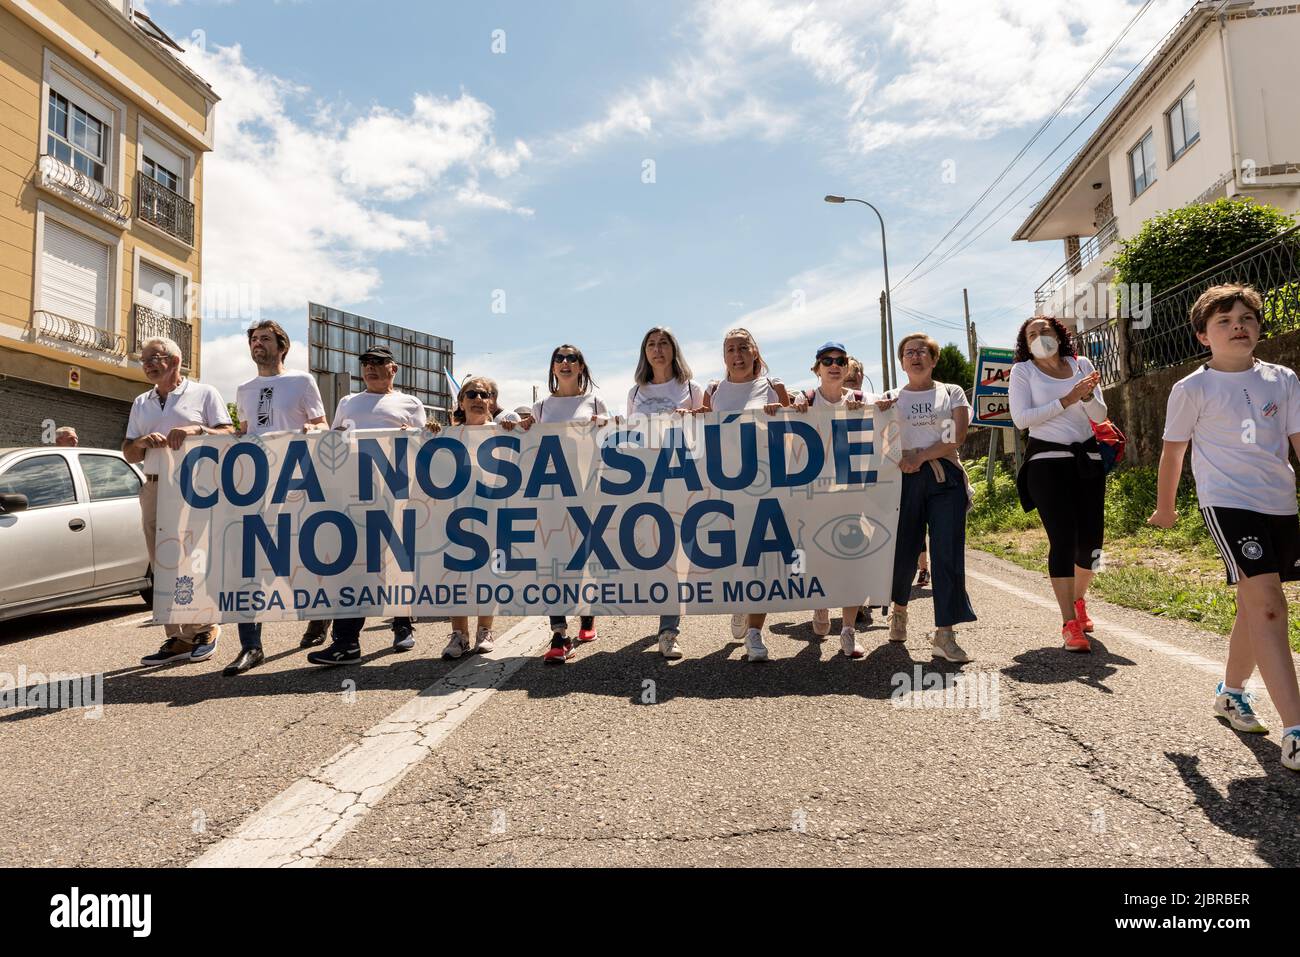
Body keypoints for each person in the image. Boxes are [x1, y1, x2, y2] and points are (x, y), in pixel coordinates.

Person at [1149, 284, 1300, 772]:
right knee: (1271, 609)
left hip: (1280, 504)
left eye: (1247, 318)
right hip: (1229, 504)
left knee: (1253, 607)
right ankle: (1296, 732)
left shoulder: (1284, 380)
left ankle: (1231, 694)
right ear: (1202, 336)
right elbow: (1174, 452)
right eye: (1224, 320)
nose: (1239, 325)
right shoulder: (1192, 388)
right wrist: (1165, 508)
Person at [306, 345, 428, 666]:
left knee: (395, 562)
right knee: (355, 566)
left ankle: (402, 624)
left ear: (393, 369)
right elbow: (333, 441)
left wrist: (410, 436)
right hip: (355, 493)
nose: (370, 368)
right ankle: (346, 642)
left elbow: (423, 445)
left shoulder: (410, 403)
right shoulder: (348, 402)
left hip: (395, 491)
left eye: (378, 363)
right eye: (365, 364)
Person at [225, 320, 329, 676]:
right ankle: (251, 647)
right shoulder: (243, 388)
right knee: (249, 562)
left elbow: (322, 425)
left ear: (282, 346)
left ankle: (318, 613)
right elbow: (244, 432)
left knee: (298, 556)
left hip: (296, 482)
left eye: (265, 338)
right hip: (256, 485)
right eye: (254, 339)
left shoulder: (301, 381)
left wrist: (310, 430)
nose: (258, 344)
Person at [122, 336, 233, 664]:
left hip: (193, 486)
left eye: (154, 358)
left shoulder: (204, 393)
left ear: (174, 360)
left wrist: (196, 430)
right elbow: (128, 453)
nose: (148, 364)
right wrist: (142, 441)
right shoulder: (141, 402)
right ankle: (178, 638)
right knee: (162, 563)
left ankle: (205, 627)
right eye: (144, 360)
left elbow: (229, 434)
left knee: (192, 557)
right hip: (154, 486)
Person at [699, 327, 799, 662]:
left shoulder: (774, 388)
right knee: (735, 559)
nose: (737, 354)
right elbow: (701, 437)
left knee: (763, 560)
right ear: (724, 356)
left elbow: (793, 437)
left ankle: (755, 633)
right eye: (731, 349)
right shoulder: (713, 391)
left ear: (755, 352)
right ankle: (740, 602)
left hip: (766, 486)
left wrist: (781, 418)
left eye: (744, 347)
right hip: (727, 489)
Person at [1008, 316, 1106, 653]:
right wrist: (1067, 399)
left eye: (1044, 330)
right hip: (1046, 463)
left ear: (1058, 334)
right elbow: (1021, 419)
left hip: (1087, 459)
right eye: (1031, 334)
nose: (1039, 336)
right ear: (1026, 342)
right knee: (1063, 539)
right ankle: (1069, 623)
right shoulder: (1024, 372)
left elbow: (1099, 415)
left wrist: (1088, 395)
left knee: (1093, 544)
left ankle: (1078, 600)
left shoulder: (1082, 365)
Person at [882, 333, 977, 662]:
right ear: (902, 362)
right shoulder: (890, 398)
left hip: (943, 477)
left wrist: (920, 456)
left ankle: (945, 634)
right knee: (903, 549)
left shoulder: (951, 392)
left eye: (923, 352)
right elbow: (877, 435)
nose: (916, 356)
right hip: (902, 480)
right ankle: (899, 611)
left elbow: (956, 436)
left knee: (947, 552)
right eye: (909, 353)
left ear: (933, 360)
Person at [516, 345, 610, 665]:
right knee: (553, 563)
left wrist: (607, 426)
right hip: (552, 496)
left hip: (588, 494)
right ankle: (559, 634)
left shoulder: (595, 403)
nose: (565, 363)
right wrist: (516, 427)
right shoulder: (541, 408)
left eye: (572, 358)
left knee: (582, 562)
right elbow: (524, 442)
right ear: (553, 367)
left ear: (582, 366)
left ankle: (587, 613)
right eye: (559, 358)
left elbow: (613, 443)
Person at [797, 341, 880, 658]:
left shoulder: (862, 400)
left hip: (852, 493)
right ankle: (820, 604)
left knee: (853, 560)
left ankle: (848, 630)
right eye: (826, 360)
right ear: (817, 368)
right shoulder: (804, 399)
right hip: (815, 494)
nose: (834, 365)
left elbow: (891, 414)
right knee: (818, 557)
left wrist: (885, 407)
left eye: (840, 360)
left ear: (847, 367)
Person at [626, 326, 705, 660]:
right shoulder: (635, 393)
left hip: (683, 479)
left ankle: (669, 630)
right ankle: (663, 614)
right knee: (658, 553)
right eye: (651, 344)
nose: (657, 350)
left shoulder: (691, 388)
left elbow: (707, 431)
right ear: (645, 352)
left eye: (663, 344)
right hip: (648, 480)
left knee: (679, 554)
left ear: (674, 350)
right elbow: (630, 437)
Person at [439, 376, 507, 660]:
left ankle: (484, 631)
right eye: (472, 394)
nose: (478, 399)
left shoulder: (504, 431)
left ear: (492, 400)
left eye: (484, 394)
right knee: (457, 575)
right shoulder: (446, 434)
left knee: (487, 574)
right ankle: (459, 635)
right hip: (455, 513)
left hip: (492, 512)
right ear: (461, 401)